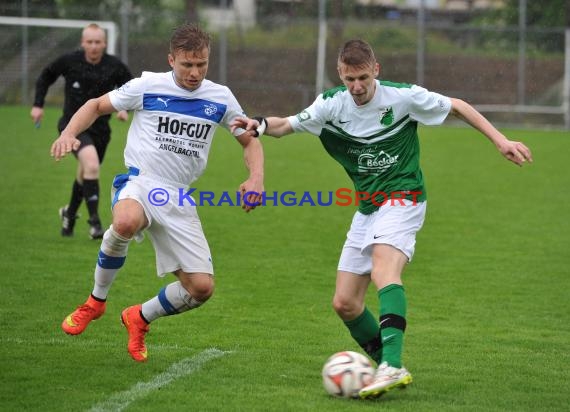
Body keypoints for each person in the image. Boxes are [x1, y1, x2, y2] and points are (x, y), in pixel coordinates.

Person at [232, 39, 532, 399]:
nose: (356, 87)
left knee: (384, 272)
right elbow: (287, 125)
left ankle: (391, 364)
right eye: (349, 79)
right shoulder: (331, 104)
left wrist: (500, 141)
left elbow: (458, 106)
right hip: (368, 208)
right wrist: (261, 125)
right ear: (340, 75)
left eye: (362, 78)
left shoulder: (402, 97)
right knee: (345, 303)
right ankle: (384, 366)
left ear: (376, 71)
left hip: (403, 198)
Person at [50, 24, 264, 362]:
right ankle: (96, 301)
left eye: (202, 65)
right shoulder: (148, 85)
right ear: (171, 60)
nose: (195, 73)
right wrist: (68, 133)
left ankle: (139, 317)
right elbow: (95, 105)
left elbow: (249, 139)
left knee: (201, 288)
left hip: (178, 197)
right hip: (141, 181)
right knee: (125, 222)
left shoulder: (220, 97)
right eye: (187, 65)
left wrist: (256, 178)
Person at [32, 23, 133, 239]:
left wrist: (124, 108)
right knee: (92, 165)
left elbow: (131, 88)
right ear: (82, 43)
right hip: (73, 126)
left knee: (86, 172)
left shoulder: (114, 66)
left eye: (98, 42)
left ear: (105, 44)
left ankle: (69, 214)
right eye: (90, 42)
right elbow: (45, 76)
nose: (94, 46)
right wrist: (38, 104)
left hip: (101, 131)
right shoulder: (70, 61)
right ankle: (95, 223)